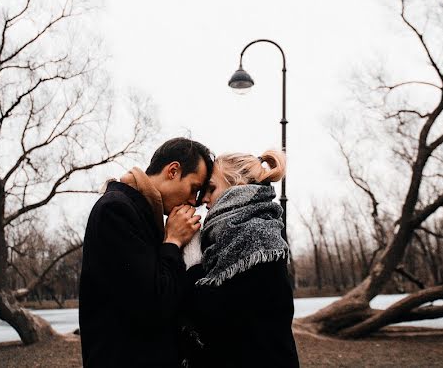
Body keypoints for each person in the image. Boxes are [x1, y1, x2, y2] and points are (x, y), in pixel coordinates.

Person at [79, 137, 214, 368]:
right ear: (173, 171)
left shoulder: (141, 214)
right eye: (194, 188)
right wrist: (173, 241)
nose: (193, 201)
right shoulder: (117, 210)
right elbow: (154, 305)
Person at [181, 150, 299, 368]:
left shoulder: (257, 235)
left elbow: (217, 312)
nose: (204, 199)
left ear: (238, 187)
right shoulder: (233, 237)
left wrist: (192, 265)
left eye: (212, 189)